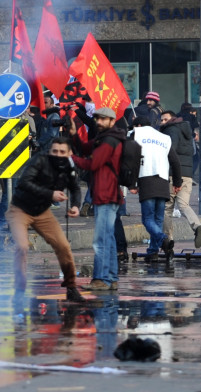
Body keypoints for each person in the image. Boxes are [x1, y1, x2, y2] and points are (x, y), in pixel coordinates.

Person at [6, 137, 85, 302]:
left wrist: (76, 205)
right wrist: (51, 194)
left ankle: (71, 288)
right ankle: (19, 291)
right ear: (49, 151)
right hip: (20, 209)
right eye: (54, 151)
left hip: (43, 212)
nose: (58, 155)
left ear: (69, 153)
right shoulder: (40, 160)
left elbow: (75, 188)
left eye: (62, 152)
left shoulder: (69, 167)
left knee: (63, 245)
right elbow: (23, 183)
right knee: (22, 246)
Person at [71, 107, 125, 291]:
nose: (99, 122)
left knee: (101, 240)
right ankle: (111, 278)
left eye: (103, 119)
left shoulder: (109, 140)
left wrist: (71, 159)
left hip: (106, 194)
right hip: (106, 194)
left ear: (112, 121)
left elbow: (93, 163)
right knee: (108, 239)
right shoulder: (105, 139)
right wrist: (73, 135)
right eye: (97, 119)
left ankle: (101, 279)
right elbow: (85, 148)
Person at [129, 116, 183, 262]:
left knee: (147, 219)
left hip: (146, 179)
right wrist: (177, 182)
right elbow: (175, 162)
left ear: (138, 125)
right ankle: (153, 251)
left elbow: (133, 160)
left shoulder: (137, 135)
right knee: (158, 219)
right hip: (163, 181)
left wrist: (132, 183)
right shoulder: (164, 138)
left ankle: (162, 239)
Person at [160, 110, 201, 248]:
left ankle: (168, 239)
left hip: (174, 174)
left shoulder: (171, 130)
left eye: (165, 119)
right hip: (187, 174)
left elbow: (170, 150)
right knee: (184, 205)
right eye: (161, 120)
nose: (162, 122)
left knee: (167, 208)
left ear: (172, 119)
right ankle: (197, 226)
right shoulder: (187, 131)